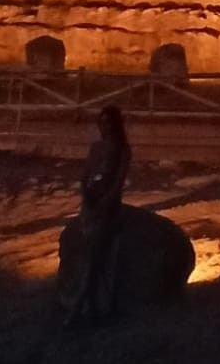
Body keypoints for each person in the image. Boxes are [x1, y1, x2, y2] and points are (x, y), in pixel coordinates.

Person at [67, 105, 131, 327]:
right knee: (90, 257)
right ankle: (92, 305)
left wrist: (105, 202)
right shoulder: (96, 148)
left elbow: (118, 181)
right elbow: (85, 175)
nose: (104, 127)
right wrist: (86, 197)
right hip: (91, 206)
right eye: (101, 122)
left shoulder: (122, 150)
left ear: (116, 125)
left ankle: (79, 305)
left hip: (107, 207)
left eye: (108, 123)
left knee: (95, 258)